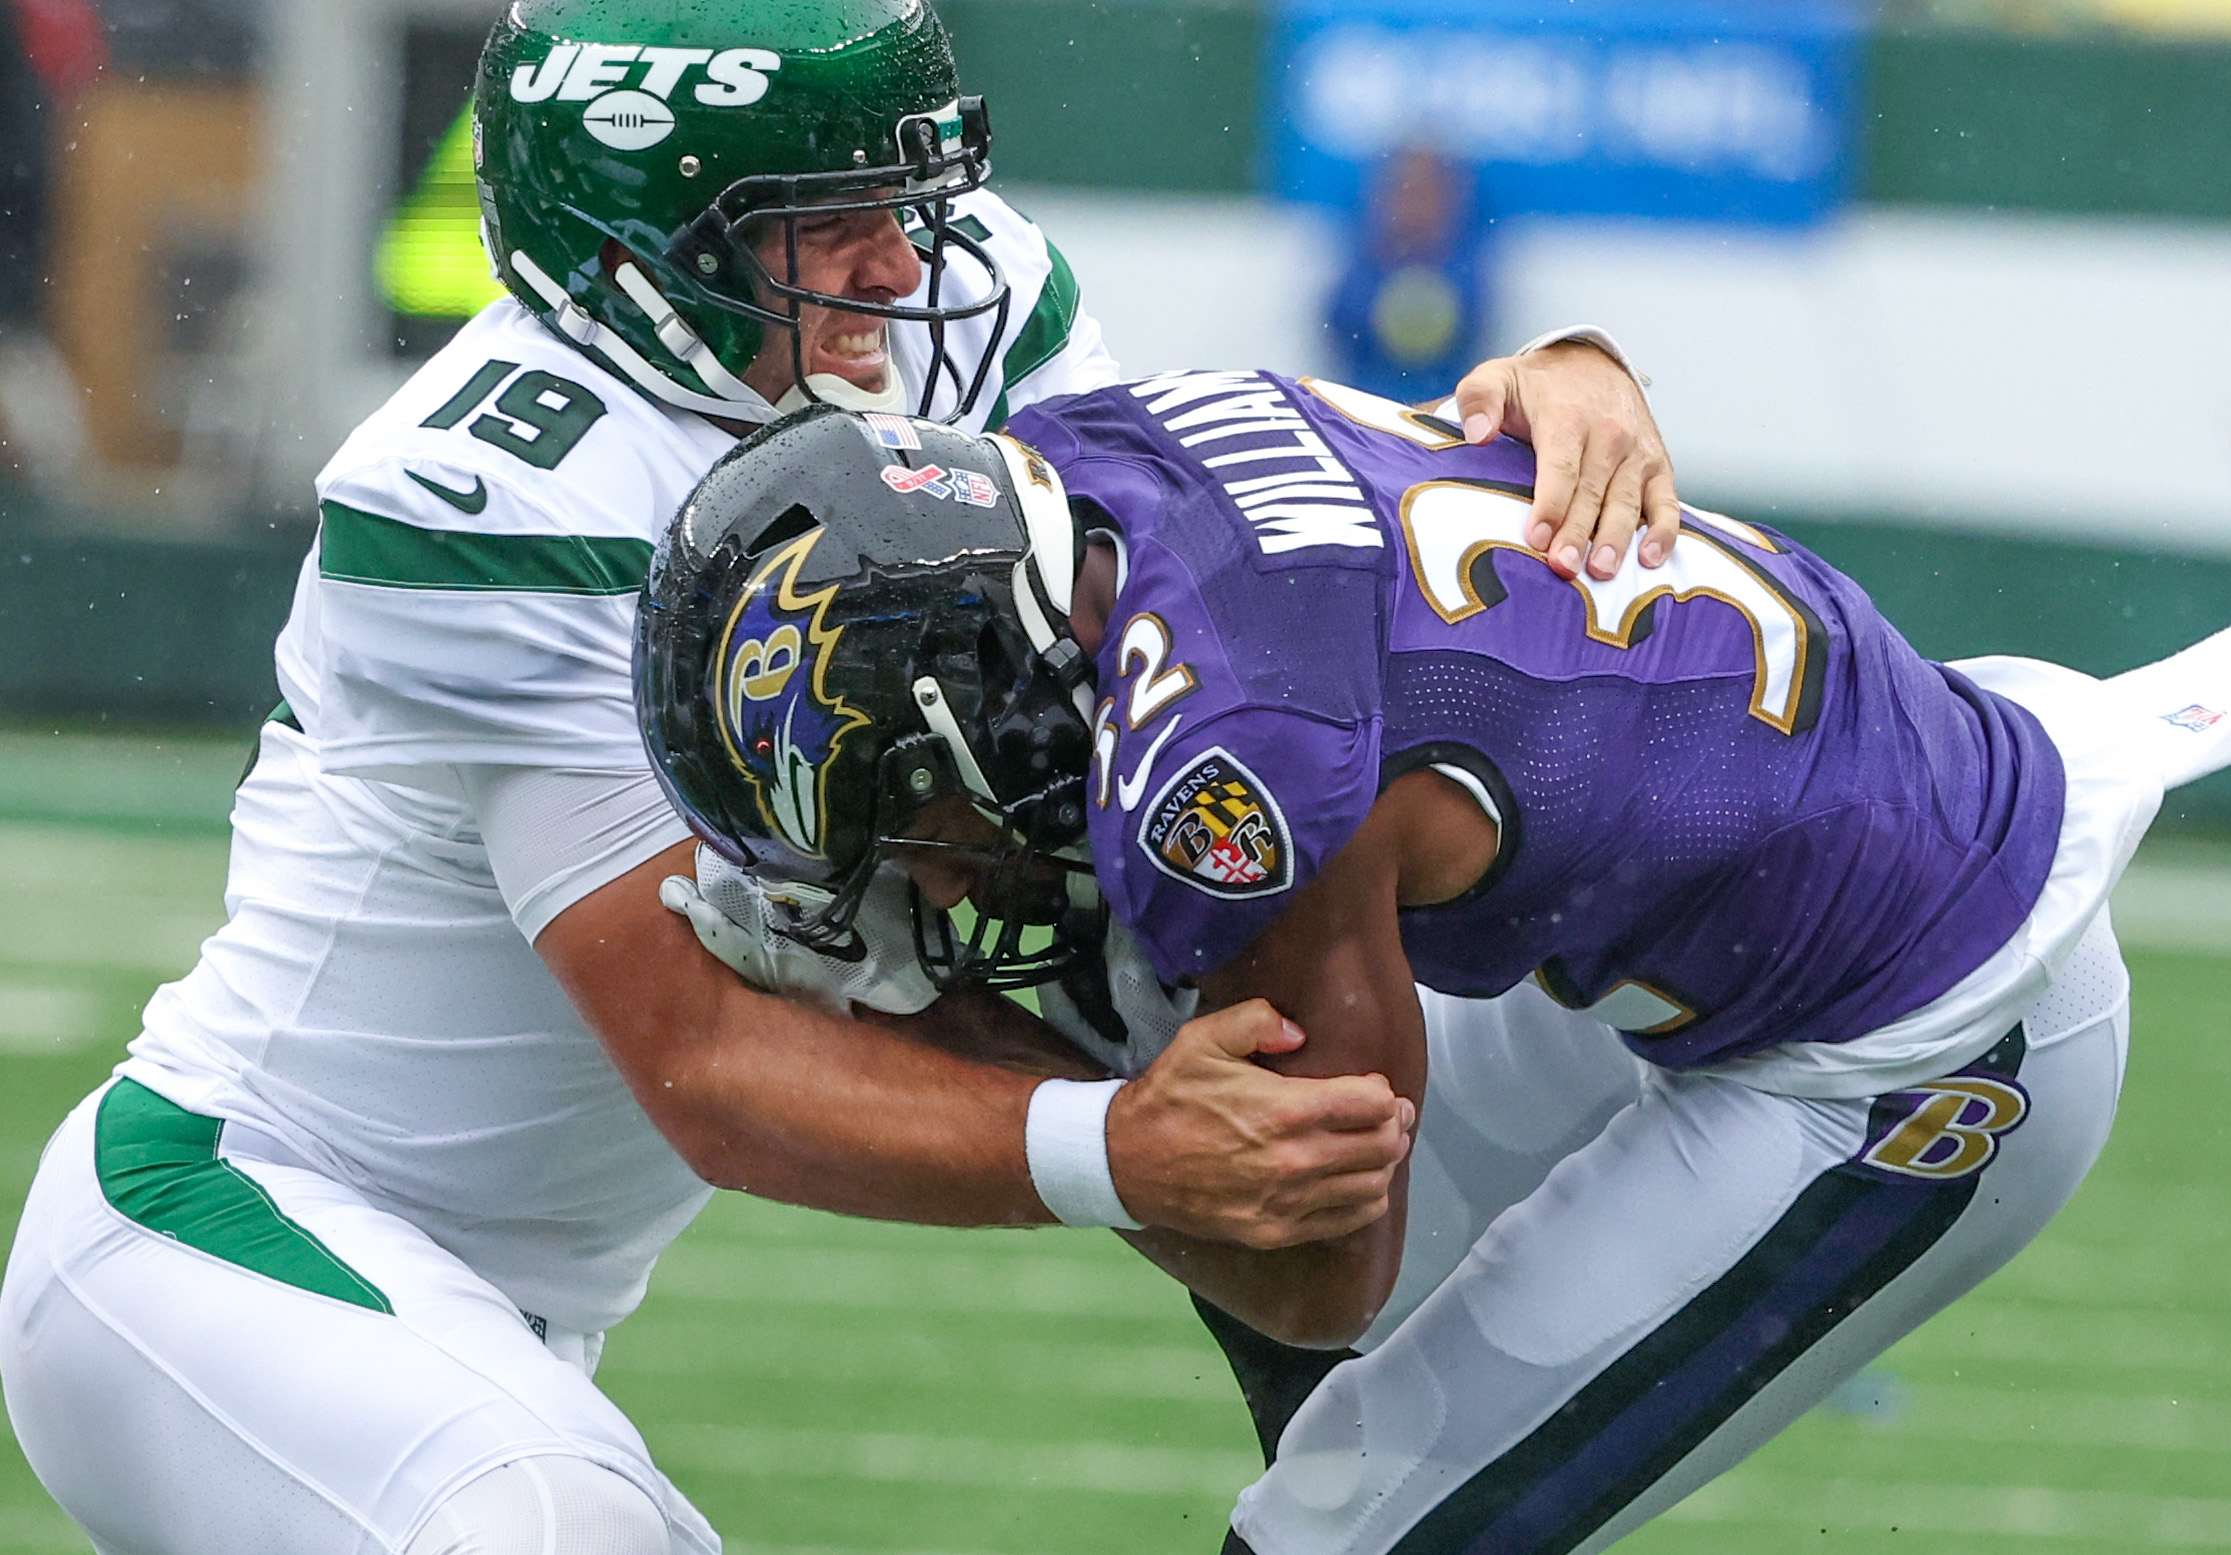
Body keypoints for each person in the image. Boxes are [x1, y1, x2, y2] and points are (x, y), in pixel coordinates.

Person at [0, 0, 1680, 1548]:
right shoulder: (489, 493)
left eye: (907, 194)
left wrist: (1499, 418)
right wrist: (1128, 1150)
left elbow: (1215, 561)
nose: (897, 265)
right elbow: (711, 1051)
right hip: (234, 1228)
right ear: (641, 238)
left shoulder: (957, 305)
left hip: (509, 1314)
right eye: (825, 217)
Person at [637, 385, 2231, 1555]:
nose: (924, 874)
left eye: (901, 822)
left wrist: (994, 1053)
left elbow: (1323, 1256)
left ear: (968, 701)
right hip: (1815, 803)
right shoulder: (1097, 445)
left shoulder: (1236, 777)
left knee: (1337, 1540)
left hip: (1916, 1033)